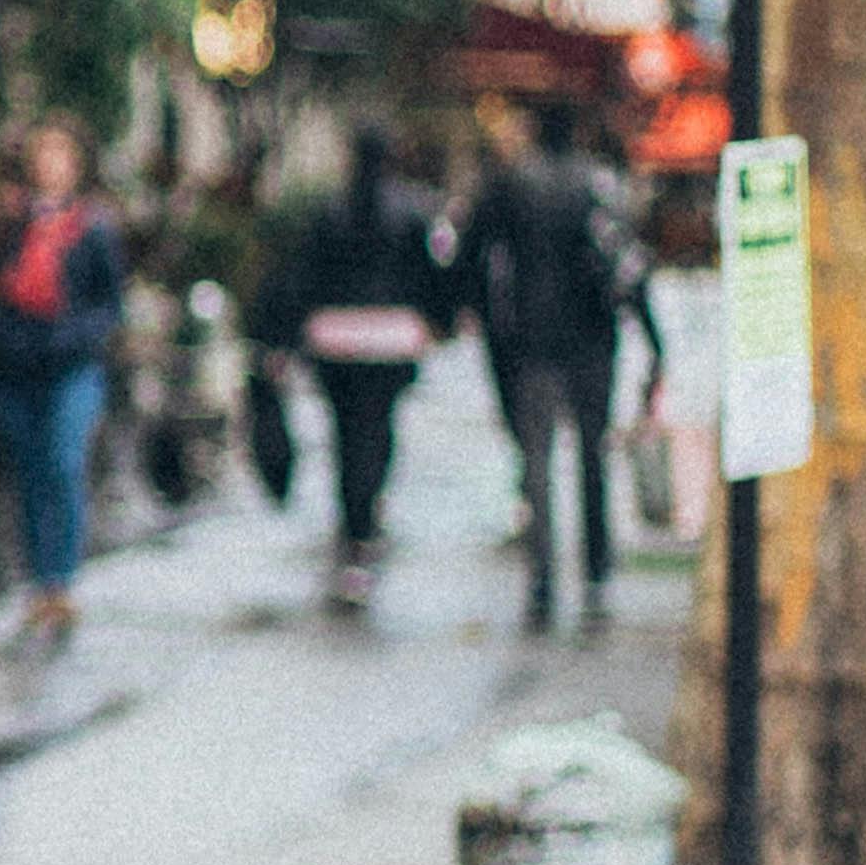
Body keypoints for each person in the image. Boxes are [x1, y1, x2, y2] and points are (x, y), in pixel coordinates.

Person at [458, 99, 661, 631]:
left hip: (530, 339)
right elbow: (629, 267)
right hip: (593, 338)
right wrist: (656, 344)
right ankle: (596, 574)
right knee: (593, 457)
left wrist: (481, 317)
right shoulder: (599, 184)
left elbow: (471, 254)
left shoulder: (510, 183)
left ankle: (543, 579)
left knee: (538, 462)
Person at [254, 121, 451, 609]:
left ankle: (355, 515)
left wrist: (288, 334)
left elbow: (302, 275)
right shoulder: (411, 212)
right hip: (389, 341)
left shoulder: (330, 211)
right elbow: (430, 278)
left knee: (346, 432)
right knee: (377, 428)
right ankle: (365, 514)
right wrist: (433, 323)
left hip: (336, 340)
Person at [0, 116, 127, 641]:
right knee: (29, 472)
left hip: (70, 367)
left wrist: (76, 336)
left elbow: (110, 305)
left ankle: (61, 581)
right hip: (14, 366)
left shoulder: (94, 229)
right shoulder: (2, 222)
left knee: (63, 463)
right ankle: (38, 582)